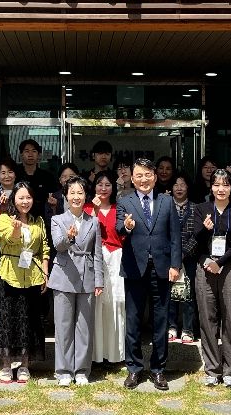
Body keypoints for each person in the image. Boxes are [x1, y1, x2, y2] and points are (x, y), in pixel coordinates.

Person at [116, 158, 182, 391]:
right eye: (139, 175)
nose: (143, 179)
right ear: (132, 179)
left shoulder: (167, 201)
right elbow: (119, 228)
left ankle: (158, 369)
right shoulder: (125, 201)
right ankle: (134, 368)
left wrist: (175, 265)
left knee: (161, 321)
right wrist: (128, 226)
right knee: (133, 321)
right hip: (135, 268)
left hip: (162, 269)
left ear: (154, 177)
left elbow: (175, 236)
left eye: (147, 175)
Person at [194, 169, 231, 387]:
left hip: (229, 267)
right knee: (207, 318)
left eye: (225, 185)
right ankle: (212, 369)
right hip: (205, 266)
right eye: (217, 184)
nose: (221, 189)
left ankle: (230, 370)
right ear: (211, 187)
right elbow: (194, 240)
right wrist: (204, 230)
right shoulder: (201, 209)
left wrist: (221, 262)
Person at [49, 176, 104, 386]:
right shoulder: (57, 220)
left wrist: (99, 281)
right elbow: (58, 245)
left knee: (85, 326)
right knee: (63, 326)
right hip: (64, 276)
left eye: (80, 192)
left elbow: (97, 253)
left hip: (87, 276)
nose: (76, 196)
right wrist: (69, 237)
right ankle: (63, 370)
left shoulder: (94, 221)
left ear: (85, 196)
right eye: (72, 192)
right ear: (65, 195)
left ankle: (81, 370)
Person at [0, 182, 50, 383]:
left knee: (30, 320)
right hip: (10, 274)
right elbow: (10, 240)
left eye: (28, 197)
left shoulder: (38, 221)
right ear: (13, 200)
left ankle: (25, 365)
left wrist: (45, 272)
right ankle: (6, 365)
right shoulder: (4, 218)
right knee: (8, 320)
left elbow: (44, 248)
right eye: (21, 198)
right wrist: (16, 229)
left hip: (33, 274)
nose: (25, 202)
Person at [85, 170, 126, 365]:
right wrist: (94, 211)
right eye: (100, 184)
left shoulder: (120, 208)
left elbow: (124, 234)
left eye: (107, 185)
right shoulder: (87, 208)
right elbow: (85, 235)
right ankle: (96, 355)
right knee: (97, 305)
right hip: (95, 259)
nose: (103, 188)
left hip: (116, 258)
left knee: (116, 304)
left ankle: (116, 354)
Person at [167, 173, 198, 345]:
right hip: (169, 257)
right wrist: (174, 255)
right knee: (169, 293)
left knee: (188, 294)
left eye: (182, 184)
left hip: (189, 257)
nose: (179, 188)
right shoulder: (165, 206)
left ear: (188, 187)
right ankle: (171, 327)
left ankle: (188, 329)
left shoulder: (196, 208)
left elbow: (197, 234)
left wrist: (182, 254)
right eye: (176, 185)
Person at [16, 139, 59, 218]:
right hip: (19, 217)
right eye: (27, 151)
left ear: (39, 155)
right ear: (21, 155)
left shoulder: (47, 177)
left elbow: (54, 197)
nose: (30, 154)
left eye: (34, 151)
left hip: (42, 218)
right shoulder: (15, 175)